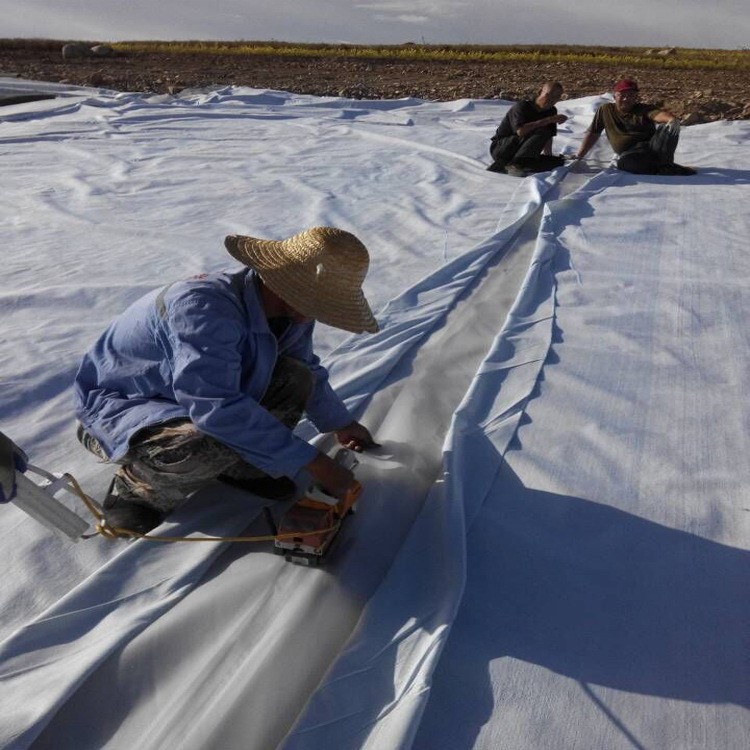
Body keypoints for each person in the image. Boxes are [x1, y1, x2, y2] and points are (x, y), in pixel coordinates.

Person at [74, 226, 380, 534]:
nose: (321, 313)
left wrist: (340, 423)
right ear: (288, 284)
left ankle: (244, 464)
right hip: (122, 410)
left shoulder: (291, 311)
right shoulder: (204, 309)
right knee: (201, 440)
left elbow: (305, 367)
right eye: (321, 303)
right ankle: (139, 487)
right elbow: (215, 408)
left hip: (195, 395)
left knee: (295, 378)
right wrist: (313, 461)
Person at [575, 78, 696, 175]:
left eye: (631, 95)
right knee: (624, 164)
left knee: (668, 128)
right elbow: (593, 133)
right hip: (632, 153)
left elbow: (658, 114)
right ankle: (663, 167)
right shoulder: (605, 110)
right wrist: (579, 156)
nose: (626, 98)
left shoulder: (643, 109)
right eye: (622, 95)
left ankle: (665, 165)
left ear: (636, 97)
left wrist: (671, 119)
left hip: (651, 148)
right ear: (614, 96)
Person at [487, 81, 568, 177]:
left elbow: (548, 136)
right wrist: (548, 120)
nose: (551, 99)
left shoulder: (552, 111)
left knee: (557, 162)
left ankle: (515, 164)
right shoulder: (522, 106)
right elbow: (520, 131)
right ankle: (514, 164)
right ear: (540, 92)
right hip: (503, 147)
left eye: (556, 97)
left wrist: (548, 156)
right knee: (542, 131)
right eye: (549, 95)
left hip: (524, 150)